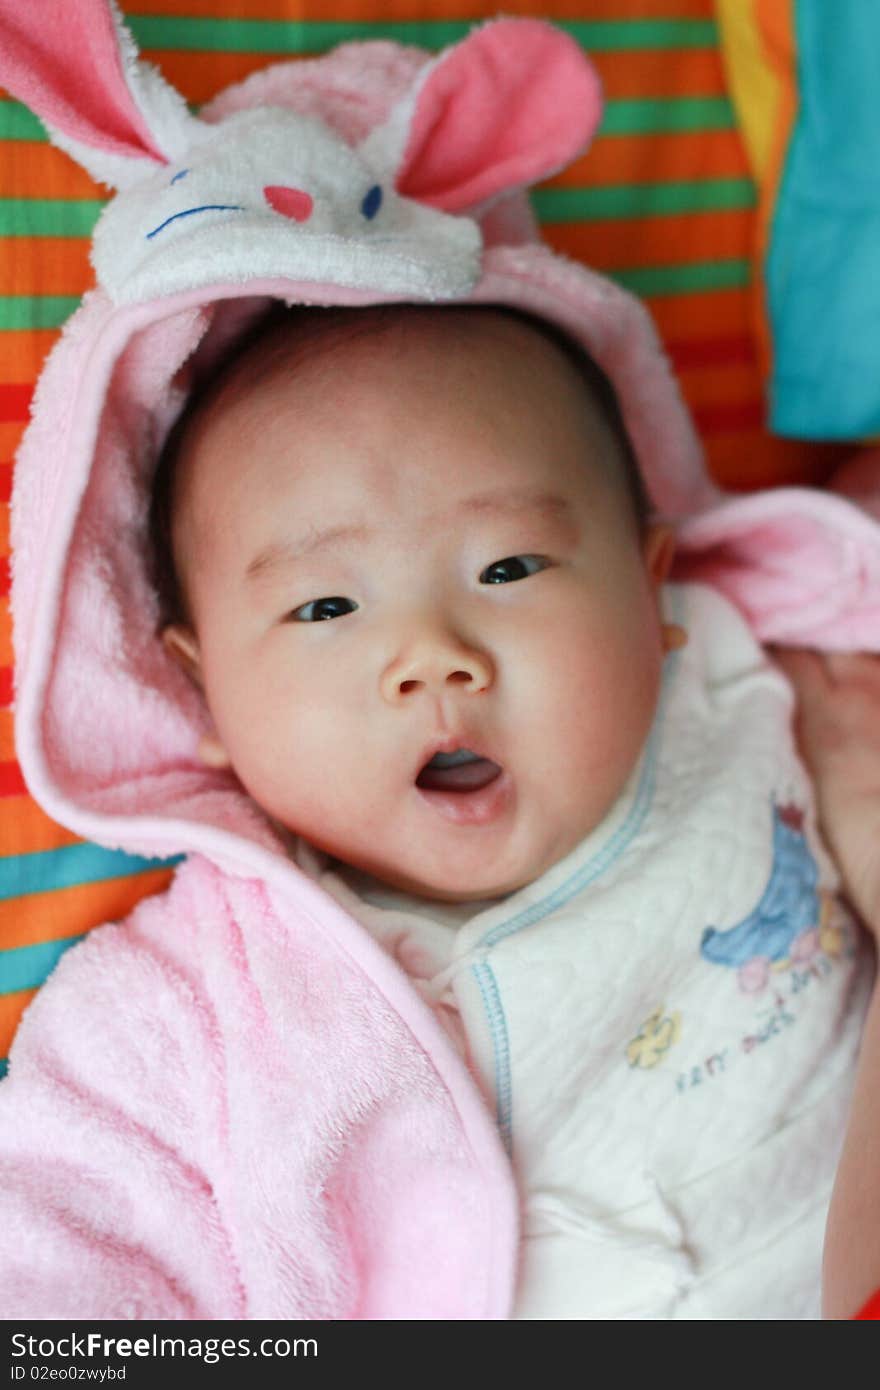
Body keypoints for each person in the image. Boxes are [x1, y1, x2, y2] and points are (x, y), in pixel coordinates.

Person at [1, 7, 879, 1321]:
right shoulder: (192, 1020)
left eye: (511, 568)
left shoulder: (767, 677)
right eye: (325, 607)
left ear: (653, 593)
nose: (434, 658)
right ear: (204, 694)